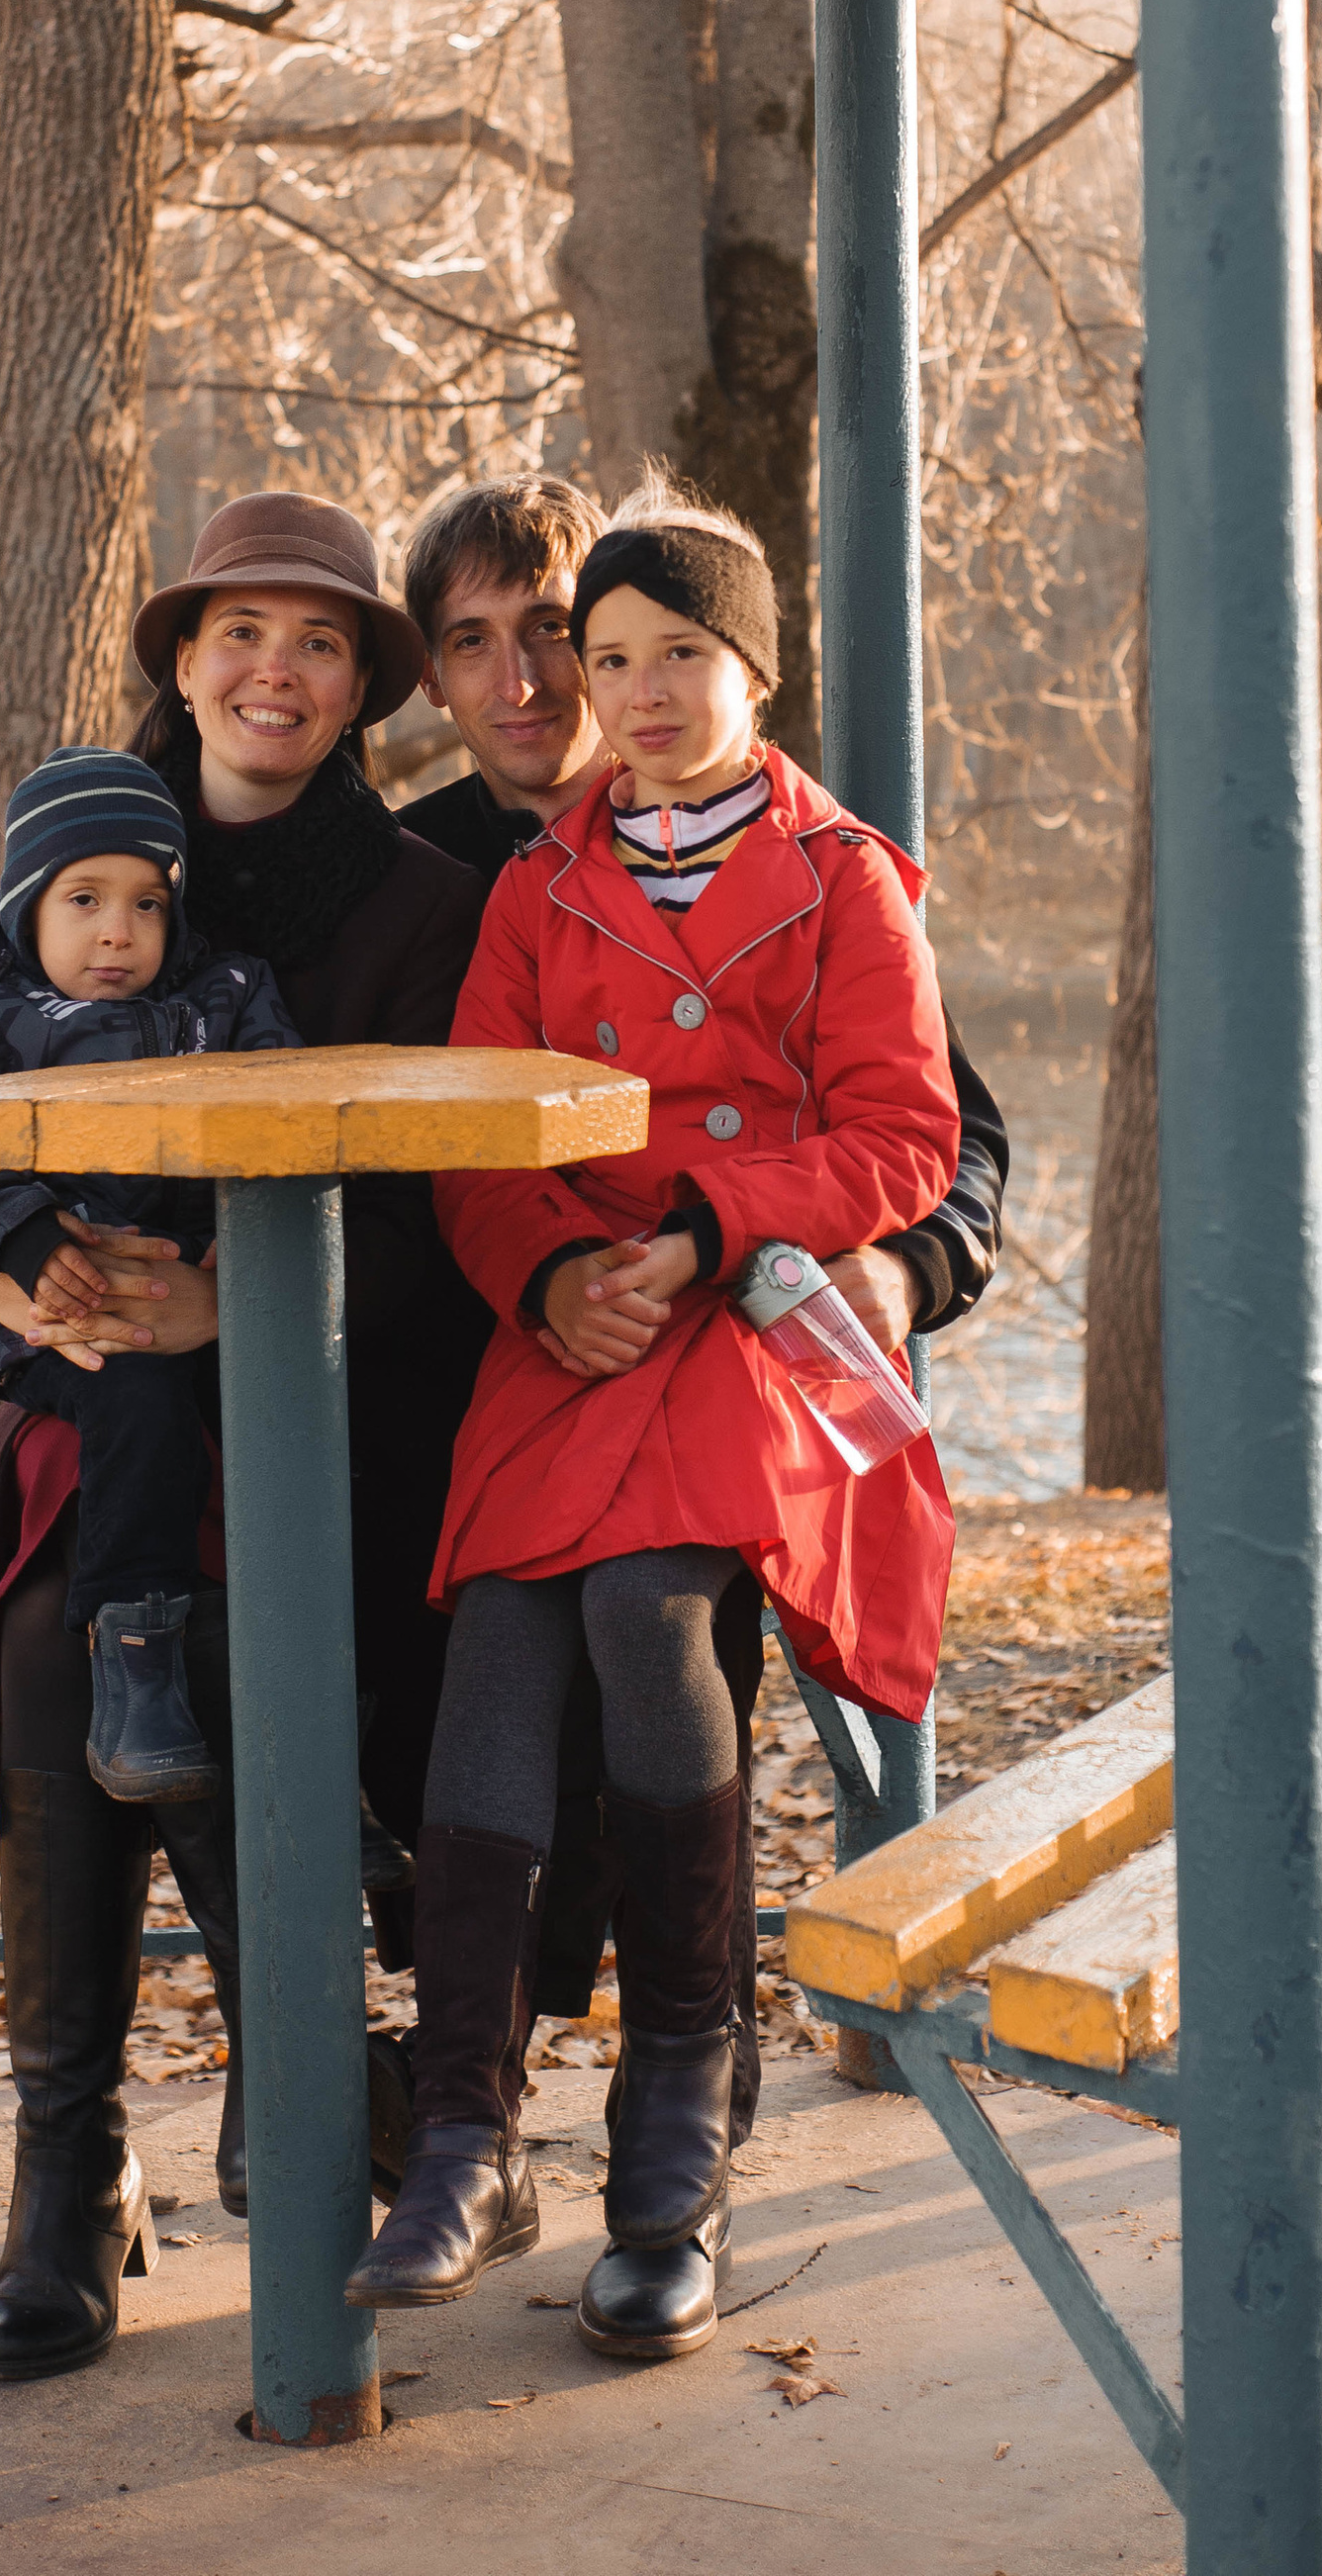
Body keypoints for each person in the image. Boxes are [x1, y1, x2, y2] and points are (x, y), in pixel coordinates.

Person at [351, 481, 961, 2366]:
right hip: (579, 1333)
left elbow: (909, 1137)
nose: (636, 690)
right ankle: (463, 2127)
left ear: (752, 669)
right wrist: (547, 1278)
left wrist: (704, 1228)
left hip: (751, 1325)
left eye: (678, 655)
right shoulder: (537, 890)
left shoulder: (844, 874)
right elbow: (475, 1139)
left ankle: (672, 2138)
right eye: (609, 660)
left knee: (633, 1608)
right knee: (506, 1629)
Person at [0, 494, 487, 2383]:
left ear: (363, 686)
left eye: (319, 642)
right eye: (240, 632)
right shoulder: (67, 855)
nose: (274, 671)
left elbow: (438, 1218)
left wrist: (242, 1308)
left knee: (186, 1637)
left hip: (314, 1424)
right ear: (181, 657)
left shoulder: (415, 911)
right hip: (80, 1405)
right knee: (65, 1630)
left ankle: (290, 2096)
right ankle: (66, 2173)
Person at [0, 745, 298, 1804]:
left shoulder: (225, 998)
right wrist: (16, 1241)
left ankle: (333, 1755)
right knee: (138, 1403)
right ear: (26, 907)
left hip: (204, 1295)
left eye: (149, 903)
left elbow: (288, 1119)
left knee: (303, 1434)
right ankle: (134, 1654)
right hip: (55, 1314)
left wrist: (223, 1259)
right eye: (86, 900)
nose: (120, 932)